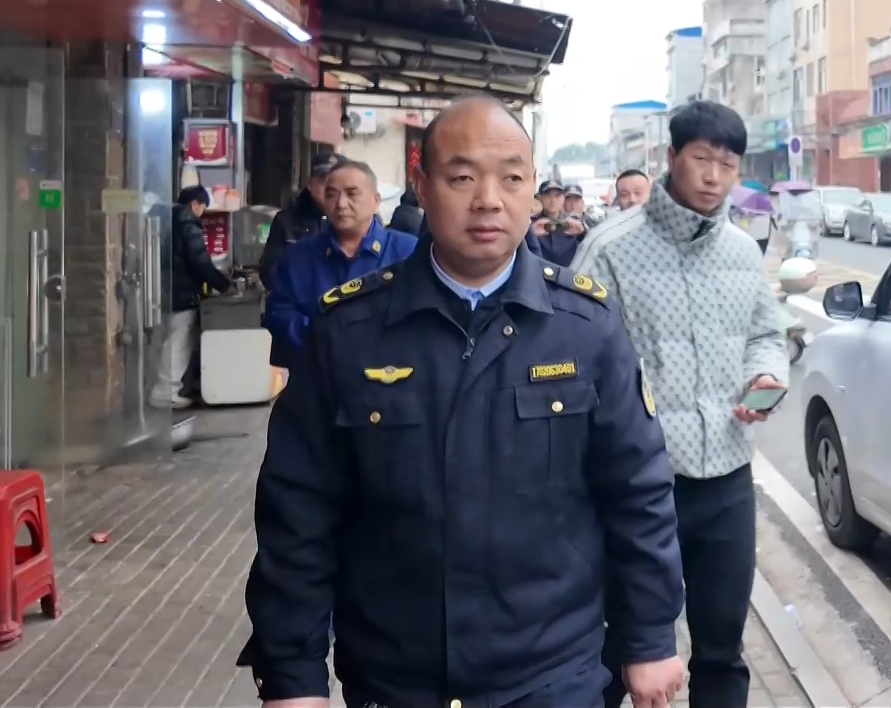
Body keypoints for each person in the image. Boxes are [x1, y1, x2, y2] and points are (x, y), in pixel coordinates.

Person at [240, 94, 686, 708]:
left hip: (554, 672)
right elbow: (298, 509)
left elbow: (638, 490)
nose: (488, 200)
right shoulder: (348, 331)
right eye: (462, 177)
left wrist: (651, 635)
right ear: (422, 185)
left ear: (533, 189)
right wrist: (293, 674)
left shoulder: (585, 327)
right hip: (395, 677)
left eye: (511, 178)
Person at [574, 100, 790, 708]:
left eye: (728, 164)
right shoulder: (610, 250)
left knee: (721, 650)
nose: (715, 175)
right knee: (621, 648)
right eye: (702, 159)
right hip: (637, 486)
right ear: (671, 159)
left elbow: (766, 335)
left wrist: (765, 379)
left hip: (725, 479)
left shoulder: (744, 254)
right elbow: (572, 361)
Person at [263, 159, 418, 370]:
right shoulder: (299, 256)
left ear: (376, 200)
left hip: (390, 379)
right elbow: (279, 314)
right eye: (331, 194)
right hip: (318, 379)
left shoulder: (408, 251)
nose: (341, 203)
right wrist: (322, 337)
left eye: (352, 193)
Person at [152, 185, 236, 409]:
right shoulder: (187, 223)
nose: (202, 213)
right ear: (194, 204)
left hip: (163, 290)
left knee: (166, 340)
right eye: (203, 207)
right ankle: (166, 390)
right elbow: (200, 261)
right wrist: (224, 284)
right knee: (178, 341)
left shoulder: (164, 220)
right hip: (182, 291)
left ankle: (163, 387)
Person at [258, 153, 342, 290]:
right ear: (310, 184)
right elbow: (270, 270)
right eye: (322, 181)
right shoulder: (286, 220)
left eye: (335, 182)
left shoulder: (357, 221)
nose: (329, 188)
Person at [529, 180, 584, 265]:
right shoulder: (531, 223)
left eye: (557, 196)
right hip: (540, 272)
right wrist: (530, 233)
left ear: (563, 198)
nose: (553, 200)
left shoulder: (573, 223)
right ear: (540, 198)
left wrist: (582, 233)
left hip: (568, 273)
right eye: (548, 195)